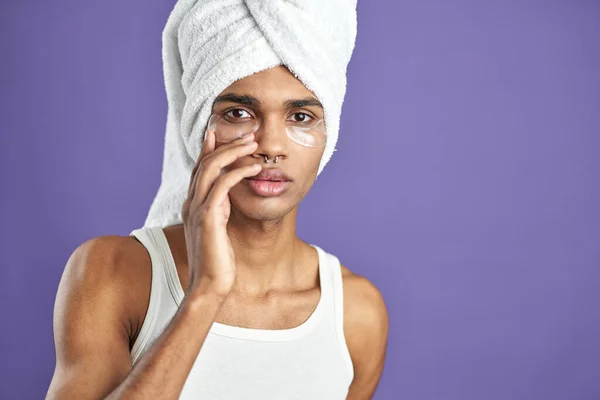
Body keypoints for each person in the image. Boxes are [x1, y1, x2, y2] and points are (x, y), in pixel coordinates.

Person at [46, 2, 388, 400]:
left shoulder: (356, 313)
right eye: (239, 113)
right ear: (198, 127)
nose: (272, 147)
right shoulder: (113, 272)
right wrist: (205, 292)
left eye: (301, 117)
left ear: (329, 134)